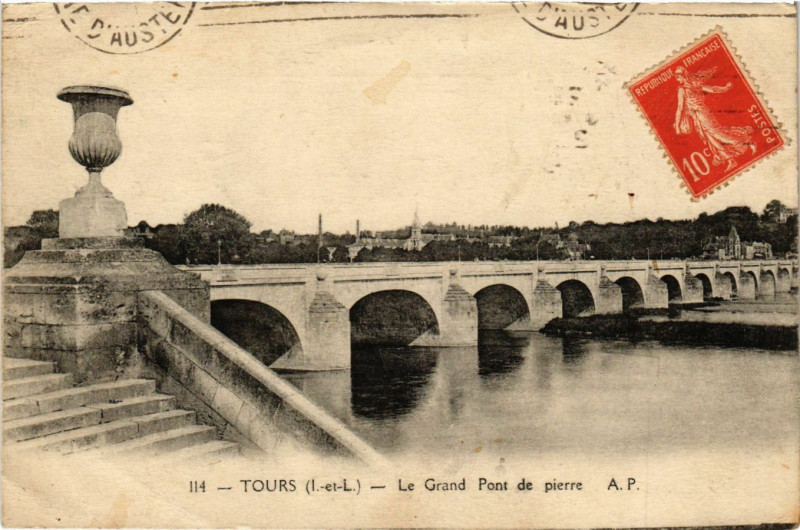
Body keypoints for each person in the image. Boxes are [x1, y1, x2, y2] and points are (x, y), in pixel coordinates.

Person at [673, 66, 756, 172]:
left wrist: (677, 127)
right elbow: (712, 89)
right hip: (698, 116)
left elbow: (680, 108)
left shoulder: (682, 89)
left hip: (702, 114)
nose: (677, 79)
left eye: (678, 76)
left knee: (718, 134)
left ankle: (747, 142)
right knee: (710, 139)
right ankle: (730, 160)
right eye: (676, 76)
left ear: (683, 76)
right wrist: (725, 88)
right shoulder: (693, 85)